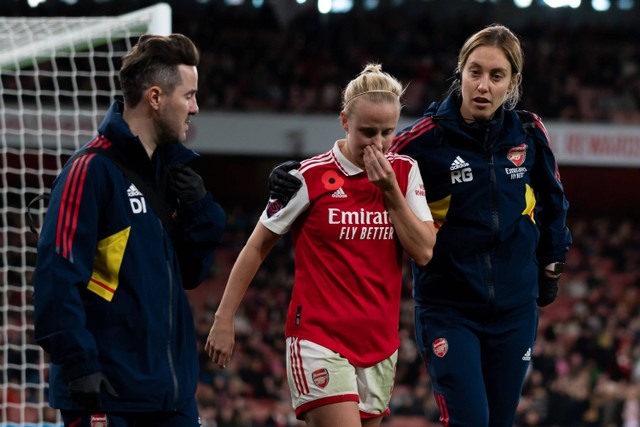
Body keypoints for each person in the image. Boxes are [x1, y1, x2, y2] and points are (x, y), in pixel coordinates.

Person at [269, 24, 572, 427]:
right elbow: (360, 158)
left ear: (513, 82)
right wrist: (293, 173)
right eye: (474, 72)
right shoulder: (422, 141)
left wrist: (552, 263)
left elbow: (554, 201)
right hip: (450, 308)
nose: (483, 85)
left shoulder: (530, 133)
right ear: (459, 72)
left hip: (516, 309)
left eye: (496, 76)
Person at [206, 63, 436, 427]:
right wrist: (224, 317)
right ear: (344, 121)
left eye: (387, 133)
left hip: (379, 342)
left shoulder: (405, 173)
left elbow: (424, 251)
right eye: (367, 132)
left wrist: (390, 191)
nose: (377, 144)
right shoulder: (307, 177)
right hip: (318, 338)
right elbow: (256, 245)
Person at [32, 33, 226, 427]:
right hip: (108, 396)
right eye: (188, 95)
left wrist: (201, 211)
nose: (196, 107)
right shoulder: (90, 172)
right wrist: (80, 366)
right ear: (155, 98)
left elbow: (192, 273)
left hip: (171, 399)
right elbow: (56, 276)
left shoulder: (171, 176)